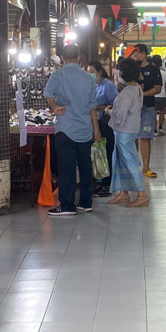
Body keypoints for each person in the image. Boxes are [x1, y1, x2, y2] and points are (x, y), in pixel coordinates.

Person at [43, 44, 101, 216]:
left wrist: (54, 106)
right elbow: (93, 106)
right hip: (85, 128)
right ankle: (86, 202)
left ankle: (67, 205)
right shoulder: (88, 77)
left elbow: (48, 93)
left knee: (66, 167)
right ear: (78, 58)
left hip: (66, 128)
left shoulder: (57, 75)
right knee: (85, 166)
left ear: (62, 57)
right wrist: (96, 130)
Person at [106, 58, 150, 207]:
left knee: (130, 161)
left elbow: (120, 114)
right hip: (130, 128)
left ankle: (141, 194)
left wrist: (108, 112)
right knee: (120, 161)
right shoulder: (136, 88)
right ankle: (123, 192)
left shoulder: (128, 92)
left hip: (124, 130)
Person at [130, 44, 162, 178]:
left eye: (139, 53)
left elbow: (158, 88)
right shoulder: (132, 69)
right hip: (132, 108)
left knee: (145, 137)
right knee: (132, 137)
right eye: (135, 54)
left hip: (147, 107)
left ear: (144, 54)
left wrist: (143, 94)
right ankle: (133, 166)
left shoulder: (154, 70)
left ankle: (146, 167)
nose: (138, 56)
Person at [88, 60, 118, 198]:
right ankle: (99, 183)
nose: (90, 75)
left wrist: (99, 108)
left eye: (92, 72)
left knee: (106, 153)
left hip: (105, 124)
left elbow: (114, 104)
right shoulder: (91, 86)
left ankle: (108, 184)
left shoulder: (108, 86)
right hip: (93, 123)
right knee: (97, 154)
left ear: (99, 72)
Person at [151, 55, 166, 134]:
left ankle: (155, 129)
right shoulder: (165, 74)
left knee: (154, 114)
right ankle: (160, 127)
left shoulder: (152, 73)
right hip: (163, 96)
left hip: (154, 95)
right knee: (162, 112)